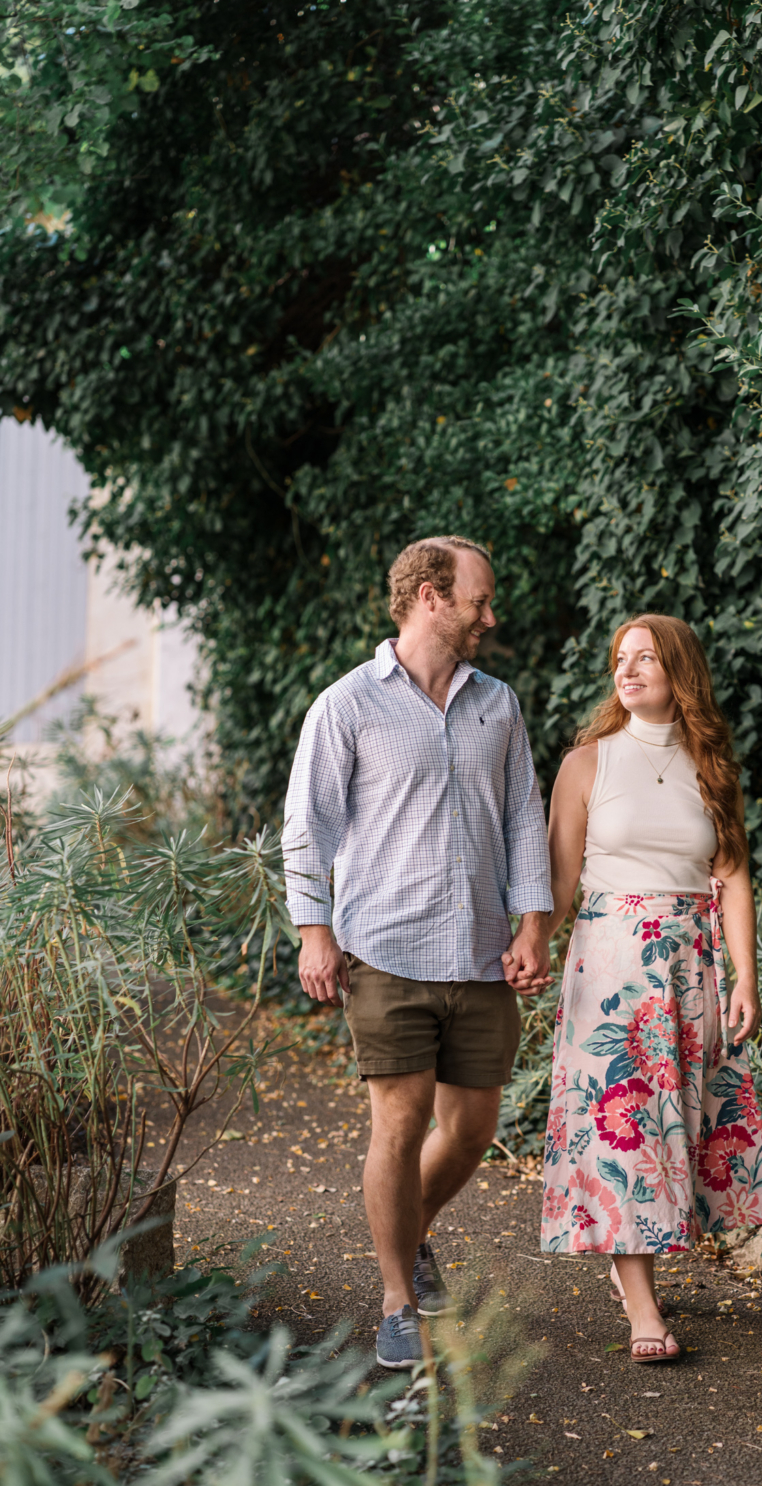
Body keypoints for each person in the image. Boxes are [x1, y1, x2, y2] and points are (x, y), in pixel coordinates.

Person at [282, 535, 552, 1370]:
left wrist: (534, 923)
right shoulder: (348, 705)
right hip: (386, 951)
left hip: (478, 953)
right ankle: (398, 1299)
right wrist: (313, 930)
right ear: (431, 596)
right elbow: (308, 825)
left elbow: (523, 818)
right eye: (479, 599)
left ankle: (413, 1232)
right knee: (398, 1126)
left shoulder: (496, 704)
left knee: (471, 1130)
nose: (489, 615)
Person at [541, 614, 762, 1362]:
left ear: (681, 671)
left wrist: (746, 975)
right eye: (621, 658)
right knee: (626, 1128)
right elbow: (557, 882)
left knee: (673, 1121)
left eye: (646, 657)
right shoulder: (587, 765)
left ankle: (636, 1265)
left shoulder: (711, 764)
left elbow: (733, 873)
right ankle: (643, 1308)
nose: (629, 668)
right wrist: (524, 947)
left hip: (690, 969)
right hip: (609, 970)